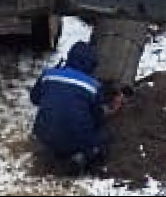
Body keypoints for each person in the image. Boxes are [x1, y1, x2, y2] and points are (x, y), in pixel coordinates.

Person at [30, 39, 117, 173]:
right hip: (74, 143)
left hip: (43, 135)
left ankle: (50, 151)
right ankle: (85, 159)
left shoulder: (49, 74)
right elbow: (97, 118)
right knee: (105, 134)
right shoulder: (93, 86)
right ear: (91, 65)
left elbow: (34, 99)